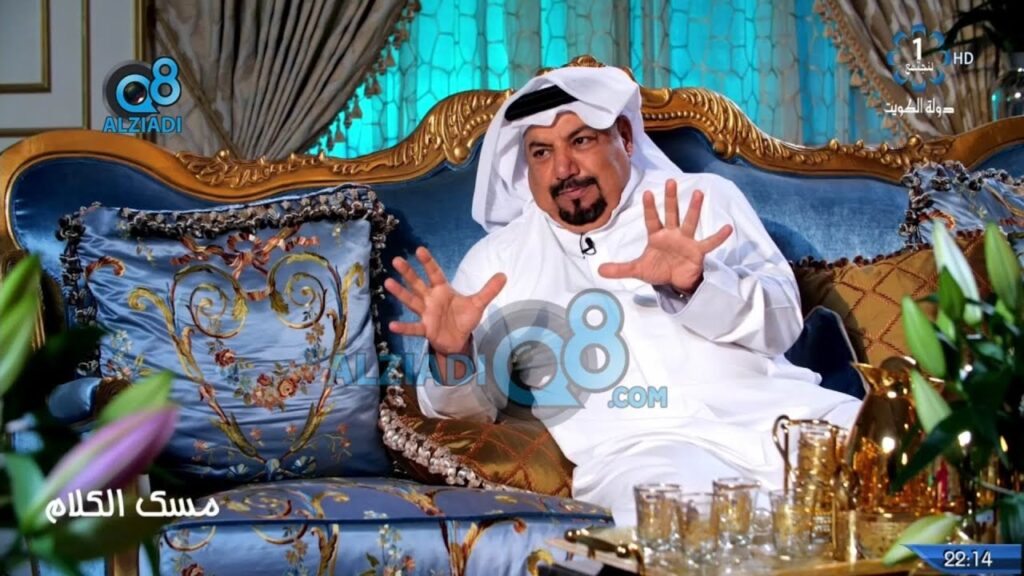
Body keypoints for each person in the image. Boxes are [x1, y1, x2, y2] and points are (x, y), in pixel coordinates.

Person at [383, 65, 862, 525]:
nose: (563, 169)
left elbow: (783, 323)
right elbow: (467, 412)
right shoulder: (496, 261)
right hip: (643, 453)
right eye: (541, 153)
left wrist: (697, 284)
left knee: (894, 456)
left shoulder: (701, 199)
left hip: (783, 417)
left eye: (581, 141)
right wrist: (452, 353)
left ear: (626, 139)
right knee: (687, 532)